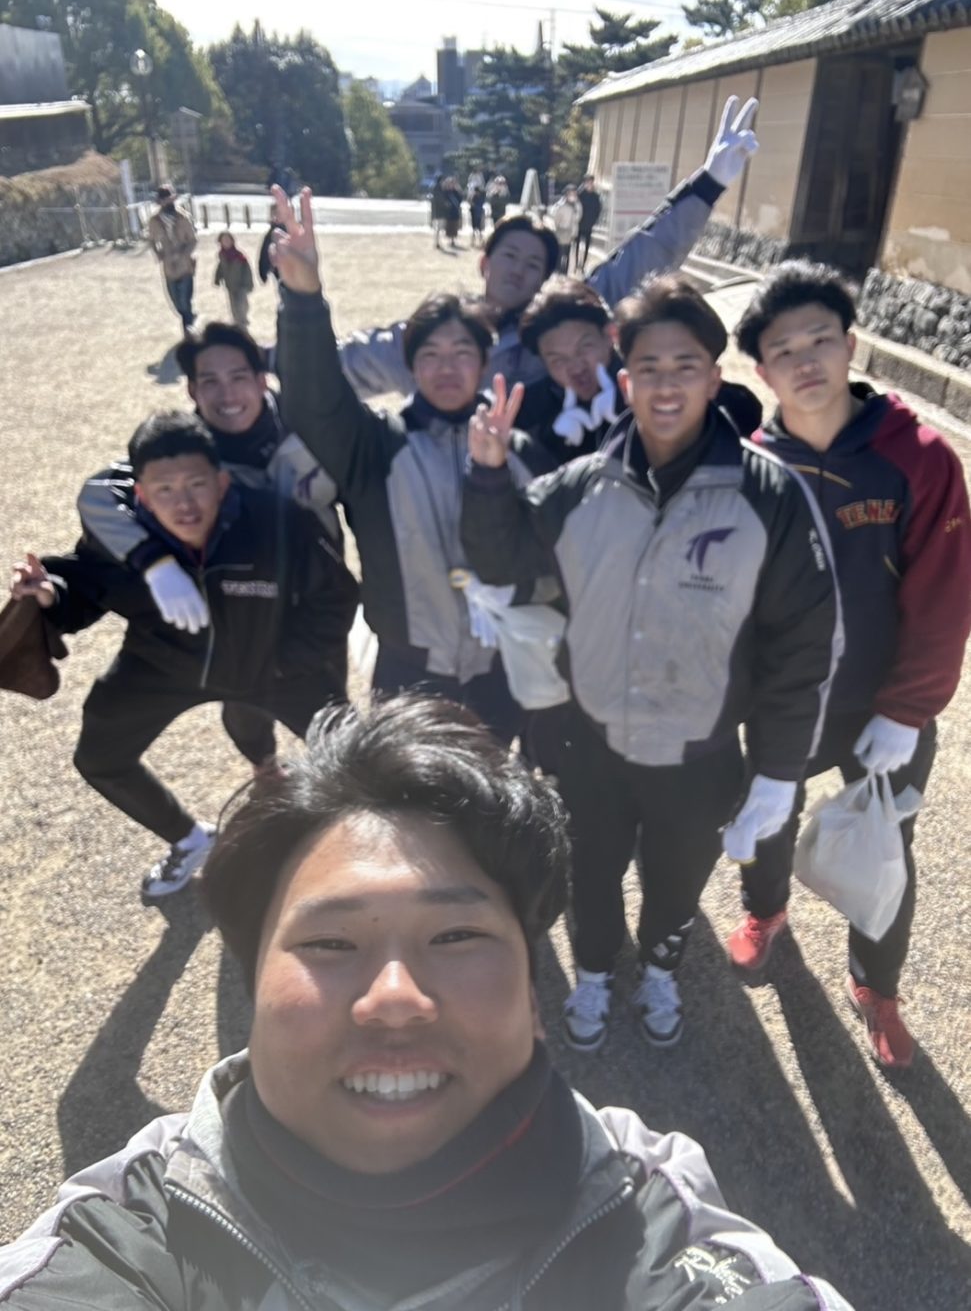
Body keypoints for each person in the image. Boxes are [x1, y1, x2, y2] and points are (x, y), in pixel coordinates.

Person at [0, 694, 854, 1311]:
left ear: (534, 990)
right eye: (330, 944)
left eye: (455, 937)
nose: (395, 1000)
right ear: (250, 983)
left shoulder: (663, 1236)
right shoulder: (120, 1237)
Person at [461, 276, 842, 1052]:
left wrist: (776, 772)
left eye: (685, 365)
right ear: (624, 377)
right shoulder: (578, 488)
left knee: (675, 882)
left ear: (713, 376)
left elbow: (801, 646)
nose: (666, 385)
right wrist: (489, 472)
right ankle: (595, 972)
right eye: (648, 367)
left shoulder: (768, 496)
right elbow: (501, 561)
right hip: (589, 741)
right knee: (589, 874)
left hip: (698, 753)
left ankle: (660, 968)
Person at [726, 261, 971, 1068]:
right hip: (785, 704)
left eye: (819, 339)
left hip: (883, 707)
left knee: (885, 846)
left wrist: (906, 710)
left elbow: (944, 596)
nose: (805, 361)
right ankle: (766, 912)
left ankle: (878, 986)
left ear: (850, 345)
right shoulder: (748, 467)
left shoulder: (919, 458)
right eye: (783, 350)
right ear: (760, 371)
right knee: (767, 822)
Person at [12, 411, 357, 899]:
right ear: (140, 495)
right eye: (165, 490)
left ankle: (352, 852)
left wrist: (286, 661)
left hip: (270, 665)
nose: (184, 504)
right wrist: (51, 595)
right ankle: (191, 838)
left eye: (196, 485)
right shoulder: (124, 542)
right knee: (99, 757)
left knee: (359, 757)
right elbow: (86, 588)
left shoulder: (278, 520)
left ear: (222, 482)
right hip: (162, 665)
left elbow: (336, 596)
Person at [272, 190, 554, 741]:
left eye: (462, 354)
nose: (447, 368)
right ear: (410, 367)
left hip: (501, 665)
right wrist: (304, 299)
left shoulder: (520, 449)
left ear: (484, 363)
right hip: (409, 670)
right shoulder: (374, 446)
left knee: (492, 781)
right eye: (430, 355)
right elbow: (313, 402)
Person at [333, 96, 760, 399]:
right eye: (509, 256)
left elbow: (645, 254)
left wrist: (709, 183)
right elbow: (353, 363)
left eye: (534, 262)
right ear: (484, 264)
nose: (519, 269)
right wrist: (294, 340)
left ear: (545, 278)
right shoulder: (442, 333)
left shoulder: (563, 323)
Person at [517, 277, 761, 469]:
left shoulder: (646, 375)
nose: (575, 366)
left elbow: (740, 407)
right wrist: (559, 441)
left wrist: (632, 414)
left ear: (610, 336)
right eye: (558, 359)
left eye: (584, 347)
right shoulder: (537, 409)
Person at [147, 183, 197, 331]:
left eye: (170, 199)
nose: (168, 202)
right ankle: (188, 318)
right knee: (176, 303)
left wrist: (184, 254)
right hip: (169, 267)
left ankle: (189, 329)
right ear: (160, 201)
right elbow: (151, 239)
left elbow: (193, 240)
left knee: (185, 300)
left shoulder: (183, 217)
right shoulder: (154, 221)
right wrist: (158, 254)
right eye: (165, 200)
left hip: (185, 266)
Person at [214, 231, 255, 328]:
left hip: (241, 285)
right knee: (233, 305)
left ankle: (243, 320)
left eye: (228, 240)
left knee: (242, 304)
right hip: (230, 285)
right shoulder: (222, 256)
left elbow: (247, 270)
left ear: (232, 241)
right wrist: (217, 278)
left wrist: (248, 284)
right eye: (224, 240)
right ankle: (237, 321)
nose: (226, 242)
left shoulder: (239, 256)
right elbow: (220, 268)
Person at [575, 173, 602, 272]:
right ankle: (576, 263)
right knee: (577, 245)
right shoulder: (580, 194)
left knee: (587, 246)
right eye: (587, 182)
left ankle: (583, 264)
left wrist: (594, 221)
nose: (589, 184)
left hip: (589, 225)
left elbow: (598, 209)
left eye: (591, 182)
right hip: (579, 224)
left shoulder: (595, 196)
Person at [551, 184, 581, 273]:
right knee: (560, 253)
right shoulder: (561, 205)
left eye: (574, 194)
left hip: (571, 233)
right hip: (561, 232)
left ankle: (564, 271)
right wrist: (560, 227)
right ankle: (558, 270)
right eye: (571, 194)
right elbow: (556, 219)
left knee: (567, 253)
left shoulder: (577, 206)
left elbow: (578, 218)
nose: (573, 196)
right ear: (566, 194)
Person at [443, 176, 463, 247]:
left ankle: (453, 240)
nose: (451, 185)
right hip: (449, 212)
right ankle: (450, 239)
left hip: (455, 212)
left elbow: (460, 199)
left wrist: (458, 189)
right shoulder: (446, 192)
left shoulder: (456, 192)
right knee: (449, 226)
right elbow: (444, 200)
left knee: (455, 226)